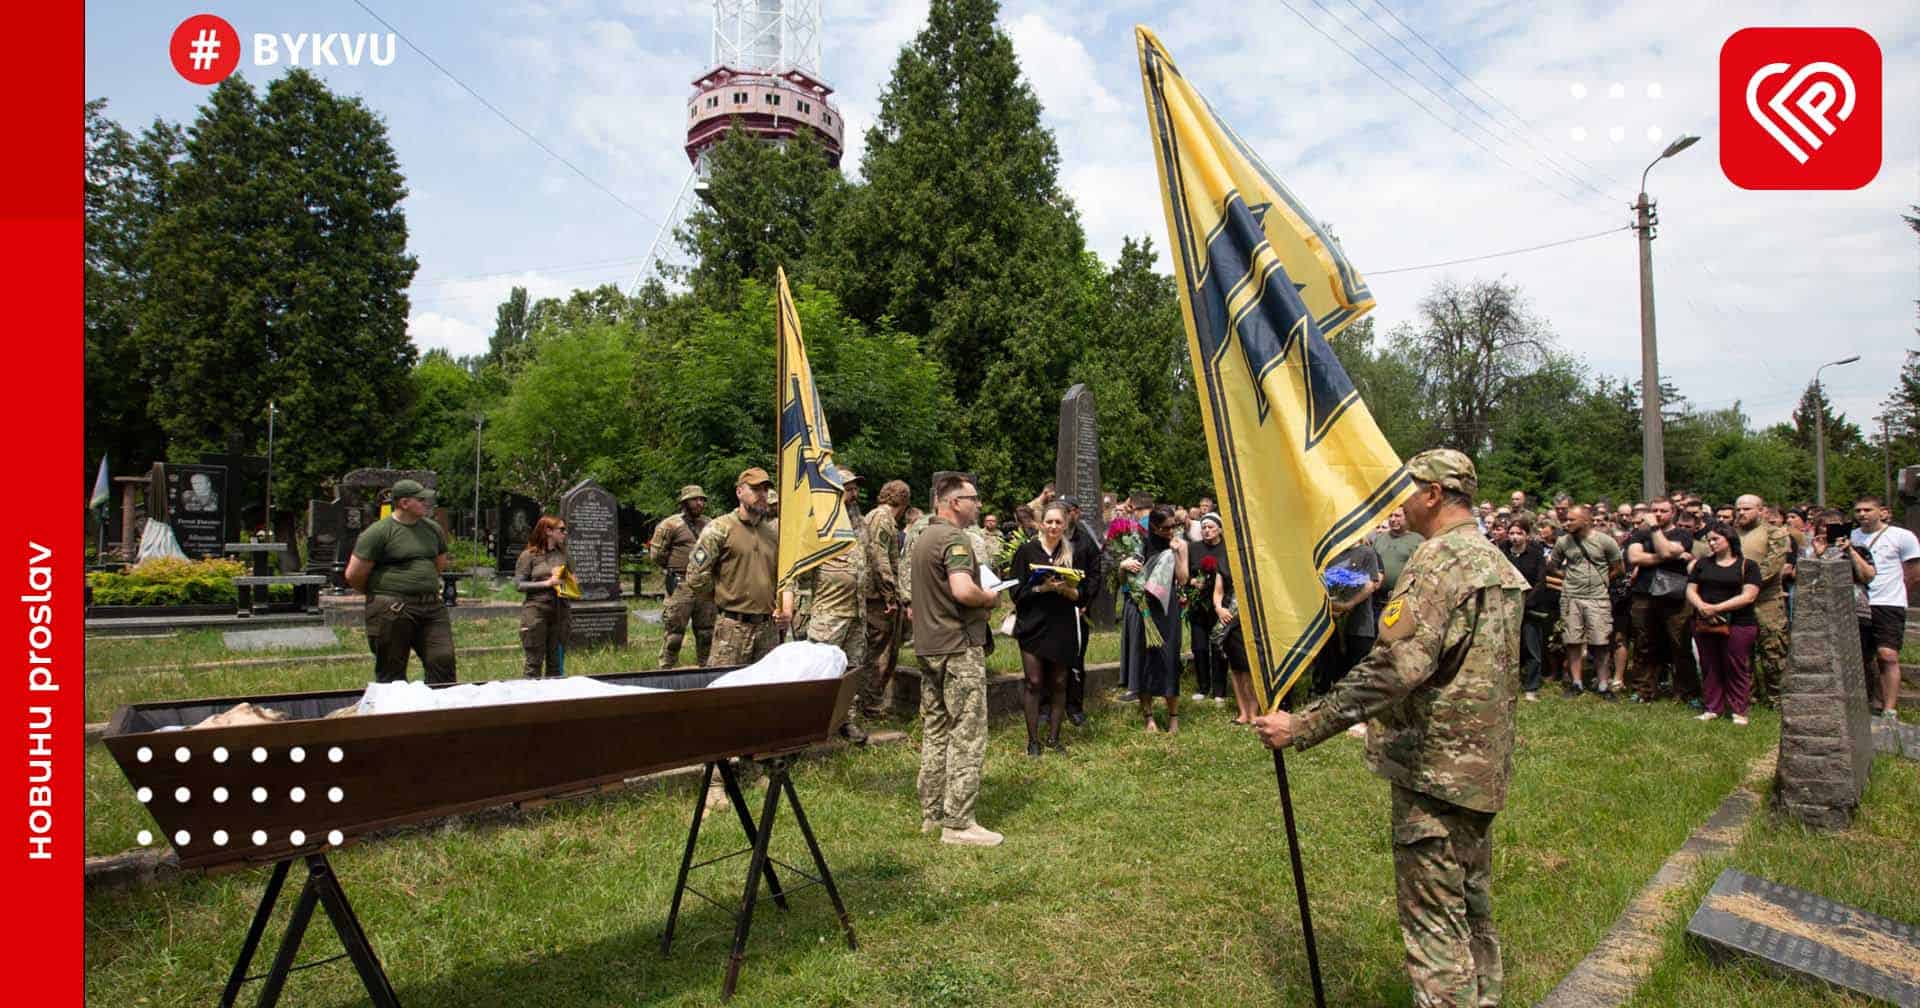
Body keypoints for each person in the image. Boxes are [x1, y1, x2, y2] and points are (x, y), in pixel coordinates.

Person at [1255, 449, 1526, 1008]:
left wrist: (1303, 725)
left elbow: (1394, 669)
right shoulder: (1494, 562)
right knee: (1471, 908)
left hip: (1434, 771)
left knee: (1435, 927)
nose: (1399, 500)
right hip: (1480, 769)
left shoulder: (1438, 564)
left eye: (1408, 488)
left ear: (1433, 494)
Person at [911, 474, 1004, 847]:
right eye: (973, 498)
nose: (978, 505)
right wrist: (990, 598)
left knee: (935, 730)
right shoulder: (954, 538)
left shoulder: (922, 538)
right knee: (967, 733)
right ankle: (959, 824)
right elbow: (963, 591)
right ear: (953, 502)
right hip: (957, 648)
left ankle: (932, 814)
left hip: (928, 647)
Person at [345, 479, 455, 684]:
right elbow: (354, 574)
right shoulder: (379, 532)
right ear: (404, 503)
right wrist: (383, 594)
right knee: (391, 669)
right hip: (393, 609)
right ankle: (391, 705)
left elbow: (439, 564)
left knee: (442, 659)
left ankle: (439, 702)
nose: (426, 503)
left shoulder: (432, 529)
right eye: (420, 500)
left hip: (431, 607)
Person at [684, 468, 785, 667]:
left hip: (767, 629)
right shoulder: (720, 528)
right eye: (755, 489)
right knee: (725, 682)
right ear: (739, 492)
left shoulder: (773, 534)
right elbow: (696, 575)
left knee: (766, 684)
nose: (762, 494)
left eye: (765, 490)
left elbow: (782, 577)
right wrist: (721, 597)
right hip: (732, 628)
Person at [1009, 502, 1084, 755]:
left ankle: (1054, 738)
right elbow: (1016, 592)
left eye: (1058, 522)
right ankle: (1033, 741)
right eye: (1049, 521)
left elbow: (1083, 593)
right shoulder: (1026, 551)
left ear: (1065, 524)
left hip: (1062, 624)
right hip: (1032, 624)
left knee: (1060, 682)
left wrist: (1067, 590)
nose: (1053, 526)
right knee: (1034, 682)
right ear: (1041, 524)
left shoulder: (1071, 551)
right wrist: (1042, 588)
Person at [782, 530, 869, 744]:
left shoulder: (854, 541)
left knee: (850, 672)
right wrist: (786, 606)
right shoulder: (815, 542)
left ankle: (845, 721)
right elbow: (791, 575)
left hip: (855, 620)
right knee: (820, 675)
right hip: (827, 622)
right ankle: (809, 725)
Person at [1121, 505, 1190, 732]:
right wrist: (1122, 566)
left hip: (1166, 608)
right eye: (1166, 528)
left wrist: (1177, 554)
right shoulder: (1139, 544)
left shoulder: (1179, 544)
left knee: (1169, 660)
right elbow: (1124, 579)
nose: (1171, 531)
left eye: (1174, 526)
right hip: (1142, 608)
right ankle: (1149, 717)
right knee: (1144, 661)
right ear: (1153, 526)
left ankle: (1173, 717)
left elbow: (1183, 579)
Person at [1850, 496, 1920, 718]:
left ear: (1881, 512)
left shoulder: (1902, 536)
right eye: (1858, 510)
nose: (1862, 514)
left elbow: (1914, 572)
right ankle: (1866, 704)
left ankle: (1890, 708)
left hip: (1889, 602)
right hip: (1858, 602)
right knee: (1860, 656)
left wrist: (1900, 593)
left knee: (1887, 654)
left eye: (1868, 510)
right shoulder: (1852, 536)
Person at [1625, 498, 1699, 704]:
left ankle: (1687, 692)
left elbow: (1665, 550)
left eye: (1663, 510)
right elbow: (1634, 558)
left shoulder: (1682, 534)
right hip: (1644, 594)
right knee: (1644, 643)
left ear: (1673, 512)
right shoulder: (1640, 533)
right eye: (1654, 510)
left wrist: (1656, 530)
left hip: (1674, 595)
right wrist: (1669, 557)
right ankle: (1643, 690)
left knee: (1679, 644)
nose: (1658, 514)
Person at [1686, 522, 1761, 725]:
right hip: (1705, 621)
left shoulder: (1748, 566)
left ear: (1729, 539)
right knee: (1709, 665)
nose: (1711, 543)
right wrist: (1702, 606)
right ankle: (1712, 708)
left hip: (1739, 623)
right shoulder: (1702, 564)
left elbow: (1749, 596)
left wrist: (1717, 608)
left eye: (1716, 539)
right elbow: (1691, 589)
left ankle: (1739, 710)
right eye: (1709, 540)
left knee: (1736, 666)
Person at [1550, 506, 1623, 698]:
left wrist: (1602, 580)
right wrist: (1568, 578)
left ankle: (1603, 684)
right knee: (1572, 641)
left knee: (1600, 642)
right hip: (1571, 597)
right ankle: (1576, 683)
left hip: (1597, 598)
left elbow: (1618, 567)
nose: (1567, 523)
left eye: (1571, 520)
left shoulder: (1605, 541)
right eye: (1566, 519)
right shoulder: (1563, 542)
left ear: (1586, 520)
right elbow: (1552, 565)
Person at [856, 479, 910, 720]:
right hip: (877, 598)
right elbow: (880, 559)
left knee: (874, 650)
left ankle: (867, 702)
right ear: (904, 501)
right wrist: (890, 595)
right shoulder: (883, 519)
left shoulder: (873, 516)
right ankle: (871, 705)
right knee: (879, 653)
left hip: (874, 594)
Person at [1732, 494, 1792, 704]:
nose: (1741, 513)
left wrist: (1745, 583)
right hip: (1737, 601)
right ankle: (1748, 697)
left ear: (1761, 510)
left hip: (1767, 601)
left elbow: (1772, 565)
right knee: (1741, 651)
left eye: (1747, 509)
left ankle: (1778, 698)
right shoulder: (1730, 534)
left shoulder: (1775, 533)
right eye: (1738, 509)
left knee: (1773, 650)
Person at [650, 485, 716, 668]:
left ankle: (705, 669)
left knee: (706, 633)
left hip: (705, 585)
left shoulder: (711, 524)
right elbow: (657, 555)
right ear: (685, 502)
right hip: (680, 585)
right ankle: (667, 669)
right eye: (695, 499)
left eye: (702, 500)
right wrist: (675, 569)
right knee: (674, 635)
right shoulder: (670, 525)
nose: (700, 503)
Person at [1313, 540, 1381, 694]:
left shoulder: (1367, 552)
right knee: (1327, 668)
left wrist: (1347, 605)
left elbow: (1370, 585)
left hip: (1358, 626)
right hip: (1329, 624)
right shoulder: (1329, 554)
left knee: (1354, 673)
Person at [513, 515, 571, 678]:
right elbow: (519, 585)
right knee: (534, 663)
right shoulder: (529, 555)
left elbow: (573, 581)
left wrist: (568, 581)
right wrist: (547, 583)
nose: (565, 533)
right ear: (548, 531)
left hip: (560, 612)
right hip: (536, 612)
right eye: (561, 529)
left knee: (556, 666)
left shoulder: (564, 555)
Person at [1211, 547, 1259, 725]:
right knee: (1237, 668)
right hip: (1230, 620)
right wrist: (1219, 608)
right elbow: (1218, 591)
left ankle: (1254, 713)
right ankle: (1243, 713)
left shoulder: (1255, 556)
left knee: (1249, 669)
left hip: (1251, 620)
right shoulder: (1224, 560)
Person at [1503, 518, 1549, 700]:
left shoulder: (1536, 555)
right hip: (1506, 607)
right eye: (1511, 533)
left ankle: (1531, 687)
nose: (1514, 537)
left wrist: (1526, 603)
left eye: (1519, 533)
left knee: (1531, 648)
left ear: (1526, 535)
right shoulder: (1502, 553)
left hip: (1530, 607)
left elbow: (1540, 581)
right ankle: (1507, 686)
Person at [1189, 513, 1229, 703]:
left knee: (1219, 646)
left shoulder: (1226, 549)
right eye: (1203, 527)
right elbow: (1186, 574)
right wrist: (1193, 582)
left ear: (1220, 529)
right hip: (1198, 604)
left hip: (1220, 605)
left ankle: (1219, 690)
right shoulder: (1194, 548)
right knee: (1199, 647)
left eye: (1210, 527)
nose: (1206, 530)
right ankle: (1203, 687)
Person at [1370, 508, 1424, 616]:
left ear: (1406, 518)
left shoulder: (1417, 540)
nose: (1393, 519)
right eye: (1390, 515)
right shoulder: (1379, 539)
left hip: (1401, 602)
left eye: (1397, 516)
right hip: (1376, 600)